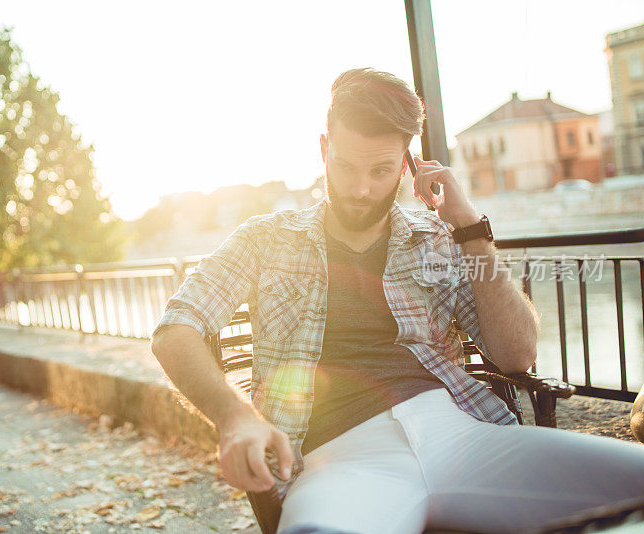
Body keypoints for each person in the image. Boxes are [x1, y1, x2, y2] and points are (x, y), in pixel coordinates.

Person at [150, 68, 644, 534]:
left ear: (408, 165)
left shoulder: (435, 238)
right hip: (341, 460)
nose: (361, 189)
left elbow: (516, 354)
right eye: (345, 166)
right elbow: (177, 328)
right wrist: (235, 417)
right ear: (323, 150)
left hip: (465, 436)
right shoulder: (265, 239)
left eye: (382, 169)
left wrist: (470, 227)